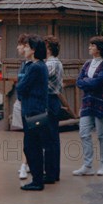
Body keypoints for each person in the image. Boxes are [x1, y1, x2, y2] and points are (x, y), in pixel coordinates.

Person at [73, 35, 103, 177]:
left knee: (102, 134)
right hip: (87, 102)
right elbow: (79, 81)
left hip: (101, 101)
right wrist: (88, 82)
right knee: (83, 132)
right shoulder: (87, 64)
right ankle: (87, 165)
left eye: (92, 45)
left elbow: (98, 83)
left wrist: (86, 82)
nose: (89, 47)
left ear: (99, 48)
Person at [16, 35, 48, 191]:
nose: (24, 49)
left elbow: (21, 87)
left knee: (32, 145)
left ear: (34, 49)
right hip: (36, 109)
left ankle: (37, 180)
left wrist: (20, 89)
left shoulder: (35, 67)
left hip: (33, 110)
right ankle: (38, 177)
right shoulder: (39, 65)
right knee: (33, 144)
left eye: (27, 46)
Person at [44, 35, 63, 184]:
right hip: (54, 100)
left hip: (49, 100)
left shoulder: (51, 64)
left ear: (49, 49)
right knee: (52, 138)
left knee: (49, 138)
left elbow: (41, 78)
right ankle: (53, 172)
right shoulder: (57, 63)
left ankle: (50, 173)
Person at [11, 33, 30, 179]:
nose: (18, 47)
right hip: (21, 102)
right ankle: (26, 163)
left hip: (32, 106)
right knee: (27, 134)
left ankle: (25, 164)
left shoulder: (35, 65)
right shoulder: (23, 64)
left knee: (31, 135)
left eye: (20, 45)